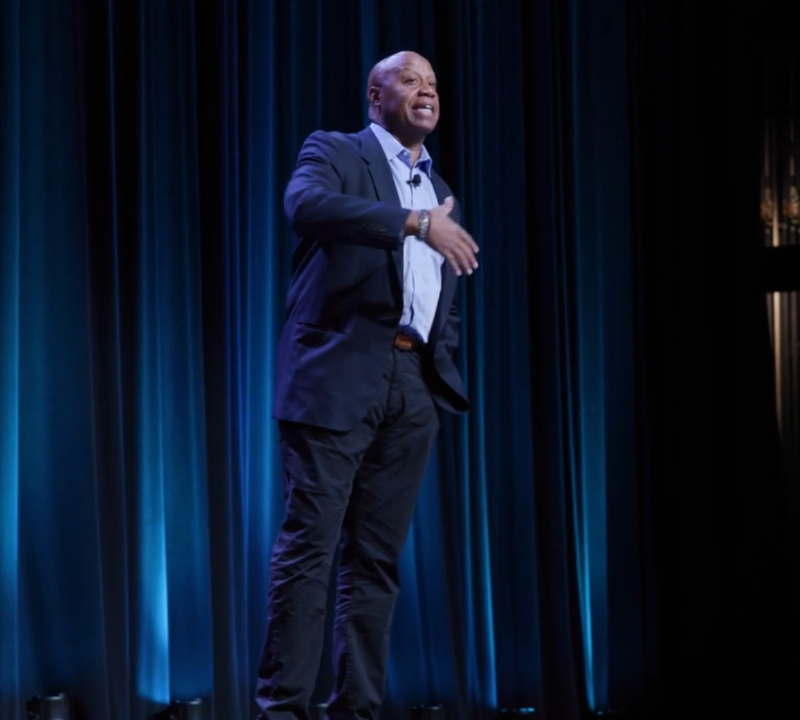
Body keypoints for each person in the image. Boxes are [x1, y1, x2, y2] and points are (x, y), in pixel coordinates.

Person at [257, 51, 480, 720]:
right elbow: (306, 206)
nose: (427, 91)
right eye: (411, 79)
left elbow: (437, 291)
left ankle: (356, 711)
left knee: (376, 563)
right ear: (375, 95)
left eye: (435, 84)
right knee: (310, 551)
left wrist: (440, 358)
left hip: (411, 385)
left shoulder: (437, 187)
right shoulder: (337, 150)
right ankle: (284, 711)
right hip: (336, 375)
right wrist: (414, 224)